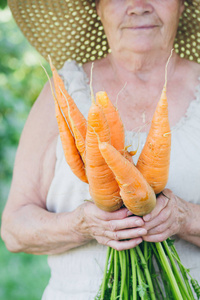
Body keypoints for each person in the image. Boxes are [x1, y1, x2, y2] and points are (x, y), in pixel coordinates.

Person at [1, 0, 200, 299]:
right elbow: (14, 231)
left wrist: (186, 219)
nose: (138, 6)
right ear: (97, 6)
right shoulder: (62, 91)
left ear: (183, 4)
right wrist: (82, 225)